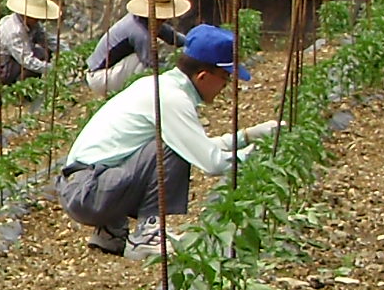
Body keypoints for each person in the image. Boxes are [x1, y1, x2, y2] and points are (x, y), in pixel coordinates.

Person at [58, 23, 279, 258]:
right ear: (203, 76)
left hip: (83, 187)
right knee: (170, 148)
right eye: (225, 77)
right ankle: (148, 234)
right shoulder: (172, 98)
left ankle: (110, 233)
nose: (226, 86)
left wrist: (246, 137)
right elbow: (211, 163)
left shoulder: (162, 87)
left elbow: (197, 147)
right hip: (89, 193)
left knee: (168, 146)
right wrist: (258, 154)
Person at [85, 0, 192, 98]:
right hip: (99, 78)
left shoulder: (146, 21)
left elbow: (173, 37)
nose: (164, 20)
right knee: (143, 61)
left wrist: (193, 43)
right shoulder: (139, 32)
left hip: (107, 73)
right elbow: (151, 65)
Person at [0, 0, 61, 87]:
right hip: (0, 71)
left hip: (14, 62)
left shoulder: (33, 24)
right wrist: (52, 69)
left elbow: (49, 39)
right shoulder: (14, 31)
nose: (39, 20)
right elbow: (27, 60)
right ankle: (19, 89)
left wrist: (67, 52)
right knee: (37, 56)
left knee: (43, 51)